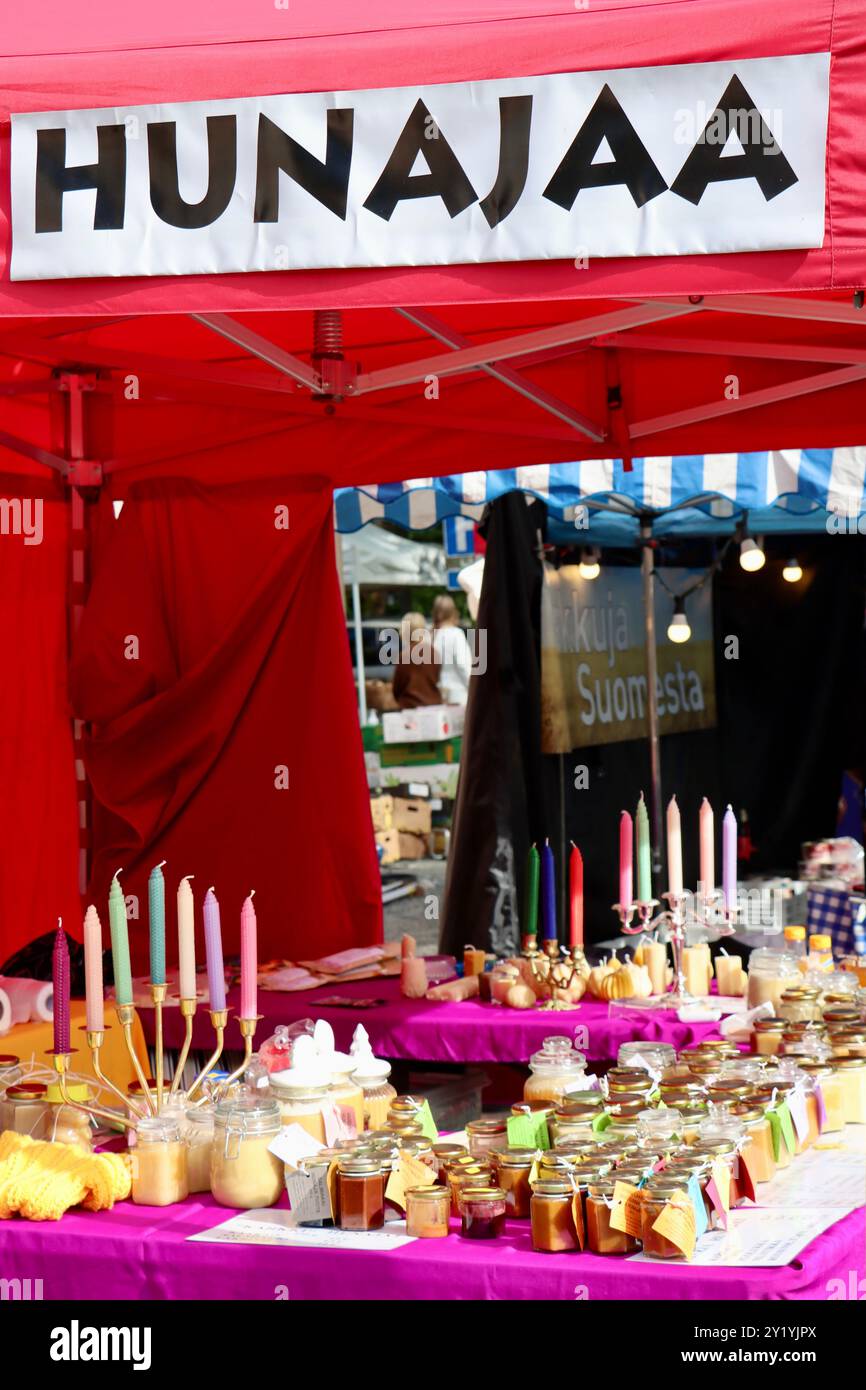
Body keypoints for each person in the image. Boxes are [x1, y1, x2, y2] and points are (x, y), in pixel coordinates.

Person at [392, 612, 442, 708]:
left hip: (410, 707)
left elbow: (397, 689)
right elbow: (437, 679)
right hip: (434, 706)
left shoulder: (404, 656)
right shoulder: (433, 653)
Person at [431, 593, 472, 706]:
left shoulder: (433, 636)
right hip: (459, 695)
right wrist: (474, 689)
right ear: (453, 612)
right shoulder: (456, 634)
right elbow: (463, 665)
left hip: (440, 695)